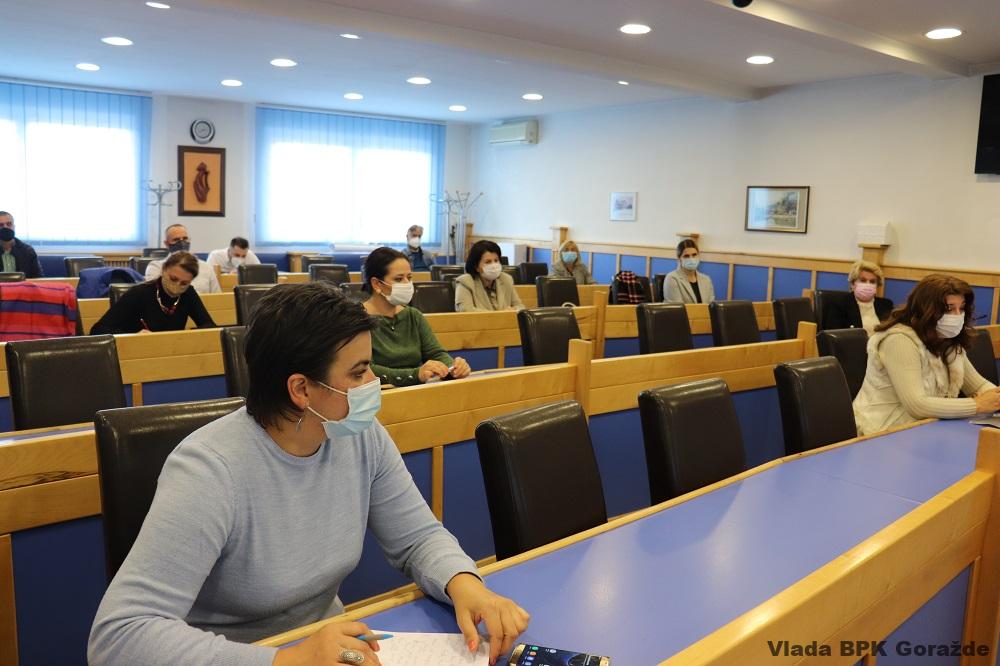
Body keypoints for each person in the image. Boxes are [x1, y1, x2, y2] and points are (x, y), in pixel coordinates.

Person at [88, 282, 530, 666]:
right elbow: (120, 635)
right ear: (300, 389)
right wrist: (286, 660)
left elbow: (418, 537)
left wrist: (464, 583)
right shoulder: (209, 470)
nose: (374, 383)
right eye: (359, 372)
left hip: (330, 646)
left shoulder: (360, 435)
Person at [852, 274, 1000, 436]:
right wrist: (977, 405)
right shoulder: (898, 340)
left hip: (926, 428)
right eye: (949, 308)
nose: (958, 315)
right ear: (926, 309)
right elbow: (917, 405)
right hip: (882, 431)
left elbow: (978, 386)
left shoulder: (946, 339)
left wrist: (995, 399)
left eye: (962, 308)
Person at [362, 247, 471, 386]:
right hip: (381, 393)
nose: (407, 284)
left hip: (419, 390)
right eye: (398, 279)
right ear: (376, 284)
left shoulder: (413, 315)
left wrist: (453, 368)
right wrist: (415, 374)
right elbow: (366, 369)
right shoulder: (357, 319)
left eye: (409, 277)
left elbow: (436, 353)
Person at [90, 252, 216, 334]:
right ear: (164, 270)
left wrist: (191, 334)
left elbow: (209, 326)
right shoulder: (139, 293)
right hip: (136, 353)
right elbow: (98, 330)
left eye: (184, 283)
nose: (177, 285)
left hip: (171, 353)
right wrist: (133, 335)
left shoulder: (188, 293)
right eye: (173, 279)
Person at [822, 260, 893, 335]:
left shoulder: (886, 305)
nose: (868, 285)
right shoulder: (839, 304)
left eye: (872, 282)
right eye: (863, 280)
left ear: (877, 286)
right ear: (852, 284)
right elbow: (833, 336)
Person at [145, 224, 221, 294]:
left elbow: (217, 296)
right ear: (166, 244)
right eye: (176, 239)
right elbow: (153, 295)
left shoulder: (206, 267)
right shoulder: (156, 267)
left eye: (185, 238)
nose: (182, 242)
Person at [455, 240, 524, 312]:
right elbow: (466, 310)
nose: (494, 265)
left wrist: (514, 310)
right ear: (476, 267)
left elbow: (520, 306)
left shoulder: (506, 279)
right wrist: (501, 314)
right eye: (488, 262)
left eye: (496, 260)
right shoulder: (465, 282)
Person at [664, 239, 715, 304]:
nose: (691, 259)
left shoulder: (706, 279)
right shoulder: (672, 278)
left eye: (694, 255)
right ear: (679, 259)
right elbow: (676, 308)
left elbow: (711, 305)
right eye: (686, 256)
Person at [0, 211, 43, 278]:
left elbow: (38, 278)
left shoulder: (28, 251)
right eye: (1, 225)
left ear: (14, 227)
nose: (5, 227)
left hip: (23, 285)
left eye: (9, 224)